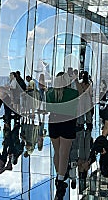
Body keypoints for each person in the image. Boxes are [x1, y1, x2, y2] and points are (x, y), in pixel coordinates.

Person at [46, 72, 79, 200]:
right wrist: (75, 80)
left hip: (53, 121)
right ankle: (60, 180)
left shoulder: (49, 93)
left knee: (57, 152)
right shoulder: (72, 93)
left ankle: (59, 175)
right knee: (64, 153)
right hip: (68, 122)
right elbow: (82, 95)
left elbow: (48, 108)